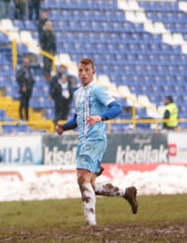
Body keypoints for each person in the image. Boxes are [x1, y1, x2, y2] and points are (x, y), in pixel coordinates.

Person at [55, 58, 138, 227]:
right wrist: (64, 127)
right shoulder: (77, 94)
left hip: (95, 139)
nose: (83, 73)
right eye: (80, 70)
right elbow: (78, 119)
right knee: (90, 183)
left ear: (93, 72)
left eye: (86, 70)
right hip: (83, 140)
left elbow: (117, 108)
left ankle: (90, 223)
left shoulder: (98, 90)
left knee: (81, 178)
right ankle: (126, 192)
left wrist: (100, 117)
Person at [15, 56, 34, 120]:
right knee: (22, 103)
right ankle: (21, 117)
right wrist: (23, 85)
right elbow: (19, 79)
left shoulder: (30, 70)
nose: (26, 63)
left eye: (27, 62)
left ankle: (27, 118)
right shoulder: (21, 70)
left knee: (27, 104)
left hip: (29, 89)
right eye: (25, 62)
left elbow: (31, 79)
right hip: (23, 90)